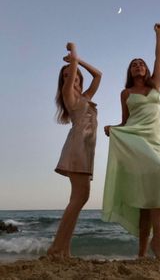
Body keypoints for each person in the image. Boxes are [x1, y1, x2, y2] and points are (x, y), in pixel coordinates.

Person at [102, 23, 160, 264]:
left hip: (155, 141)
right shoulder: (126, 93)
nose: (138, 66)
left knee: (147, 200)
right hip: (136, 142)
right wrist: (113, 129)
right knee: (159, 172)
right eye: (134, 64)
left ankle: (142, 254)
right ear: (130, 72)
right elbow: (126, 122)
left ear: (146, 69)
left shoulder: (156, 85)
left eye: (141, 63)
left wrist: (159, 33)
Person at [47, 42, 102, 258]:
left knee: (78, 198)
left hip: (86, 150)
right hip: (77, 148)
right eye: (68, 76)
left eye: (76, 75)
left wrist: (78, 62)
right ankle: (55, 248)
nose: (73, 77)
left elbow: (98, 75)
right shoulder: (67, 93)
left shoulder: (86, 97)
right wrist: (73, 52)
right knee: (79, 198)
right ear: (65, 80)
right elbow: (70, 77)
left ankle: (64, 250)